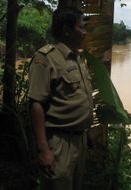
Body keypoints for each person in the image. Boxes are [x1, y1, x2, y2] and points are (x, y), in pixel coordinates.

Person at [28, 7, 93, 190]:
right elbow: (36, 104)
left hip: (79, 141)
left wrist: (86, 131)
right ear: (66, 30)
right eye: (81, 27)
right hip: (59, 143)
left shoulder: (77, 58)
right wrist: (44, 150)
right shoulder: (46, 58)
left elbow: (77, 98)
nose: (85, 32)